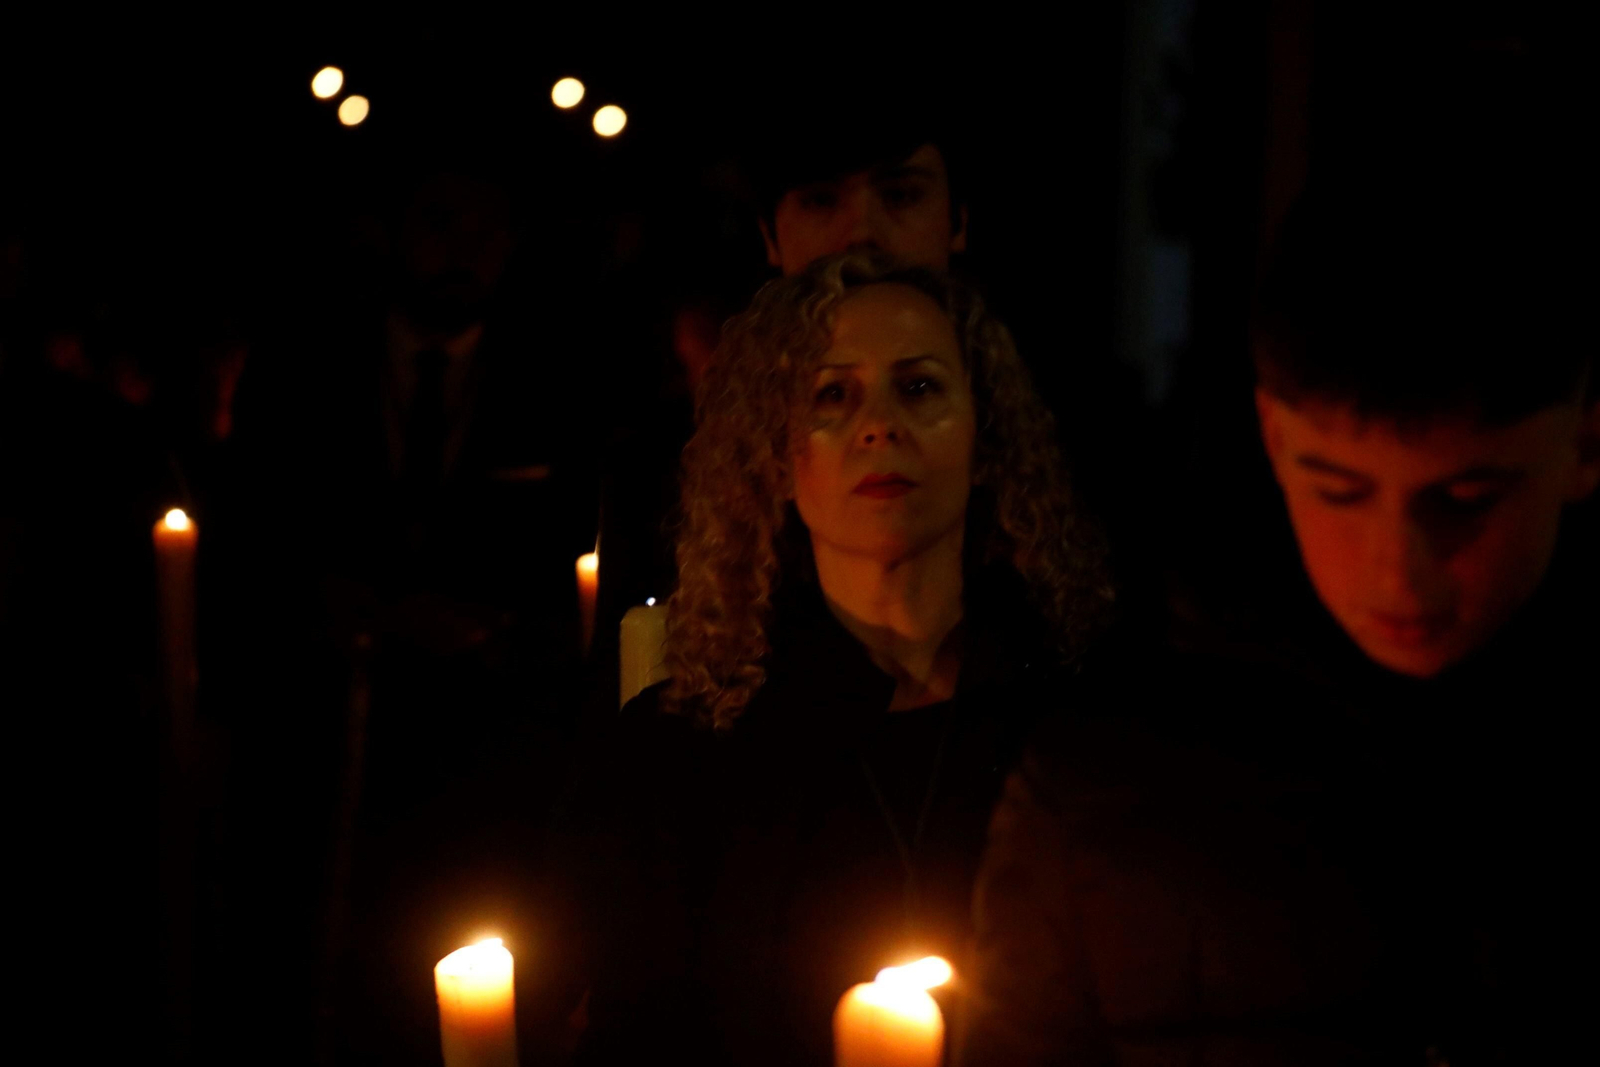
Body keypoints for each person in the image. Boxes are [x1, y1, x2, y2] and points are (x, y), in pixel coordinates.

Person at [958, 164, 1599, 1064]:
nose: (1398, 577)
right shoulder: (1105, 772)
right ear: (1272, 436)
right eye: (1339, 492)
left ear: (1585, 442)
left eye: (1465, 499)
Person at [552, 251, 1112, 1065]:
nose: (878, 425)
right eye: (831, 395)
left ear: (985, 437)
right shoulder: (685, 748)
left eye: (918, 387)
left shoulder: (1078, 710)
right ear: (777, 460)